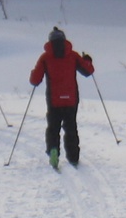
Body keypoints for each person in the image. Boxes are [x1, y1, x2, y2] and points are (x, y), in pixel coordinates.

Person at [27, 26, 95, 169]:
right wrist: (88, 60)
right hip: (71, 99)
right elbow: (88, 71)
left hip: (54, 99)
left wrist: (34, 72)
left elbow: (35, 80)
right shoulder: (73, 55)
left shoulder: (45, 58)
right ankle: (73, 157)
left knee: (53, 127)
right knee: (71, 127)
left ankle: (53, 150)